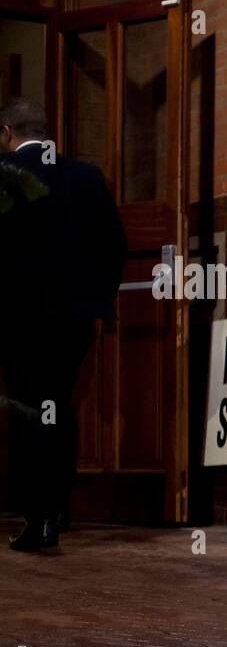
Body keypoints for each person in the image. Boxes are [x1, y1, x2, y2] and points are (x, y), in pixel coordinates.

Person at [0, 98, 126, 552]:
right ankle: (58, 510)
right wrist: (95, 299)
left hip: (17, 316)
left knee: (29, 407)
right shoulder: (85, 177)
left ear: (7, 132)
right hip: (73, 317)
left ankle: (38, 519)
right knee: (59, 403)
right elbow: (115, 245)